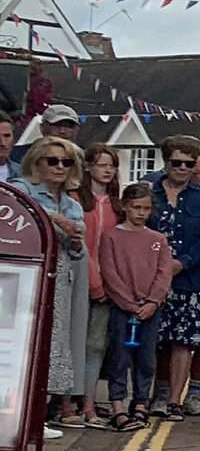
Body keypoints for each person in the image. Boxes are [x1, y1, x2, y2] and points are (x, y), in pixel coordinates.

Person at [145, 135, 200, 417]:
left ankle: (174, 400)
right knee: (156, 341)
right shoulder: (149, 194)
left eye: (189, 164)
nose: (182, 168)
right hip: (153, 278)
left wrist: (182, 263)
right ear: (166, 163)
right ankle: (155, 396)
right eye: (176, 163)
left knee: (184, 342)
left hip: (194, 279)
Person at [23, 138, 89, 437]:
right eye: (53, 160)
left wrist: (76, 243)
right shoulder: (22, 190)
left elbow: (76, 252)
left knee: (52, 345)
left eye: (66, 162)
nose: (60, 167)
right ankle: (19, 418)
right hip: (26, 276)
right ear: (37, 163)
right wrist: (53, 217)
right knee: (24, 345)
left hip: (60, 278)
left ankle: (39, 416)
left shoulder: (73, 204)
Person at [96, 184, 172, 430]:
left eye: (146, 208)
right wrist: (128, 303)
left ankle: (141, 402)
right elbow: (109, 271)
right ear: (125, 207)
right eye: (136, 207)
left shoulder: (157, 239)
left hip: (150, 309)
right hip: (123, 309)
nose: (141, 213)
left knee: (146, 357)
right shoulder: (111, 236)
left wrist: (153, 301)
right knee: (120, 356)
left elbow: (164, 272)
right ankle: (117, 404)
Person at [74, 145, 119, 428]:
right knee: (71, 343)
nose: (107, 170)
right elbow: (81, 245)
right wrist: (94, 280)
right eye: (101, 164)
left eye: (111, 165)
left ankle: (89, 405)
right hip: (79, 280)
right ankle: (65, 403)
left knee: (95, 346)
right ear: (88, 167)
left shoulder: (117, 203)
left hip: (108, 285)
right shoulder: (76, 199)